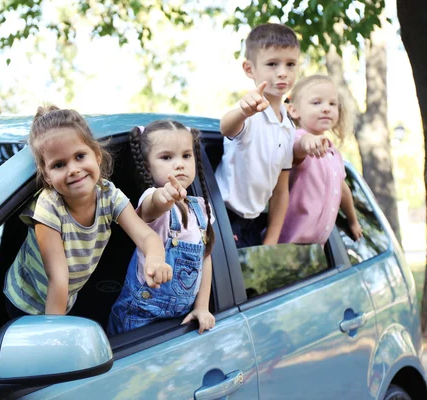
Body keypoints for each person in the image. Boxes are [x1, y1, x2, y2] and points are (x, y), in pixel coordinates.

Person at [3, 106, 172, 317]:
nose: (73, 169)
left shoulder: (108, 195)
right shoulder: (49, 207)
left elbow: (146, 235)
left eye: (80, 156)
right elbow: (58, 277)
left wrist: (155, 258)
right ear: (47, 176)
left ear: (97, 156)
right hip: (25, 299)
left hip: (65, 297)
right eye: (59, 165)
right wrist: (53, 335)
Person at [214, 23, 327, 248]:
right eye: (272, 64)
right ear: (249, 69)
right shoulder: (251, 112)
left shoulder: (287, 128)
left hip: (253, 222)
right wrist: (243, 111)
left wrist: (271, 241)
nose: (282, 72)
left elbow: (280, 191)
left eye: (290, 64)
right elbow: (226, 128)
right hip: (223, 218)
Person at [107, 120, 216, 335]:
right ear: (148, 166)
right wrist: (165, 197)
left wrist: (202, 307)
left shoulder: (200, 209)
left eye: (186, 155)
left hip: (177, 321)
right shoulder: (152, 198)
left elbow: (206, 257)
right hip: (137, 319)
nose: (179, 164)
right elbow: (153, 206)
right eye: (167, 157)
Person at [279, 75, 362, 245]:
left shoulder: (334, 153)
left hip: (316, 252)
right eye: (316, 103)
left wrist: (353, 221)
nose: (326, 108)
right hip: (286, 246)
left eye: (332, 104)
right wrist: (308, 142)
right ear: (294, 110)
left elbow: (343, 189)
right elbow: (298, 148)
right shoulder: (295, 139)